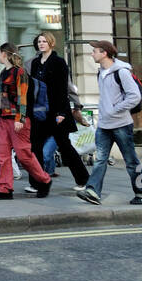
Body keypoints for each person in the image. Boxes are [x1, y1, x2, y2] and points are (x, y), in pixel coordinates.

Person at [78, 40, 142, 206]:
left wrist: (115, 109)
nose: (92, 54)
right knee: (100, 160)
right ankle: (93, 191)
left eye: (94, 51)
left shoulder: (121, 72)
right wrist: (105, 114)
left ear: (104, 53)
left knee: (131, 161)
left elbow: (134, 96)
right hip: (104, 125)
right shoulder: (100, 72)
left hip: (121, 124)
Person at [0, 42, 52, 200]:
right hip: (3, 119)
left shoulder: (20, 72)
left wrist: (20, 118)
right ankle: (4, 189)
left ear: (5, 54)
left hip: (17, 120)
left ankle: (44, 180)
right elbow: (6, 96)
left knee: (24, 155)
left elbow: (23, 97)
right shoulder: (4, 73)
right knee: (2, 155)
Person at [27, 31, 89, 191]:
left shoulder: (59, 62)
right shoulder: (35, 63)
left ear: (51, 43)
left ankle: (83, 179)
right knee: (35, 147)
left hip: (56, 112)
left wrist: (62, 112)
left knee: (65, 147)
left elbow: (62, 89)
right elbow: (32, 88)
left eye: (44, 41)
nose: (41, 44)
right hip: (40, 112)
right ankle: (37, 182)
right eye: (39, 41)